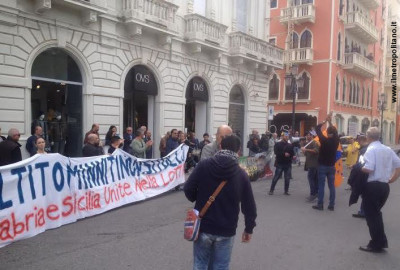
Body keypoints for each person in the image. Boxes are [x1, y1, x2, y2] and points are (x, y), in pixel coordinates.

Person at [184, 134, 257, 269]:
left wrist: (198, 198)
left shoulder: (204, 165)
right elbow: (249, 206)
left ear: (221, 146)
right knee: (221, 266)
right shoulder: (241, 174)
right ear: (239, 150)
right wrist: (249, 228)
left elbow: (188, 188)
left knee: (200, 264)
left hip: (203, 225)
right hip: (226, 229)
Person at [358, 127, 400, 253]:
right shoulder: (387, 149)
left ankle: (376, 244)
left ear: (368, 137)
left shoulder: (371, 149)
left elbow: (369, 168)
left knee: (372, 217)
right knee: (376, 215)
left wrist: (360, 166)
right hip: (384, 187)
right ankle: (380, 241)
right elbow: (398, 164)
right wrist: (392, 179)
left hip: (373, 186)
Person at [312, 113, 340, 211]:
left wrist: (325, 120)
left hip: (322, 165)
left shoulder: (324, 140)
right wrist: (329, 121)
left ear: (327, 133)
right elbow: (334, 130)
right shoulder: (336, 140)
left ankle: (320, 204)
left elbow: (317, 128)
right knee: (331, 186)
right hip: (331, 166)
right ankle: (331, 205)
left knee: (321, 185)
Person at [301, 130, 319, 202]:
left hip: (314, 164)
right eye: (307, 135)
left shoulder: (314, 142)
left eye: (309, 135)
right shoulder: (308, 143)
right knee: (314, 180)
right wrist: (304, 151)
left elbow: (316, 151)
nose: (307, 136)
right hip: (310, 164)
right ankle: (316, 193)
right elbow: (307, 154)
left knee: (311, 179)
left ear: (312, 136)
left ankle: (313, 194)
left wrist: (306, 149)